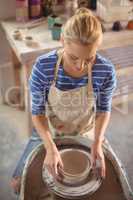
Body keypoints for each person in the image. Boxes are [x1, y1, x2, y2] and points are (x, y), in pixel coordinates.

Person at [11, 8, 116, 194]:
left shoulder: (105, 70)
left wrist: (98, 142)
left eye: (89, 58)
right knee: (19, 184)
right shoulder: (44, 67)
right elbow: (37, 113)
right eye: (74, 57)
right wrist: (50, 148)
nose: (80, 65)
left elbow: (103, 110)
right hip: (49, 130)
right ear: (62, 41)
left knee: (110, 181)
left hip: (87, 131)